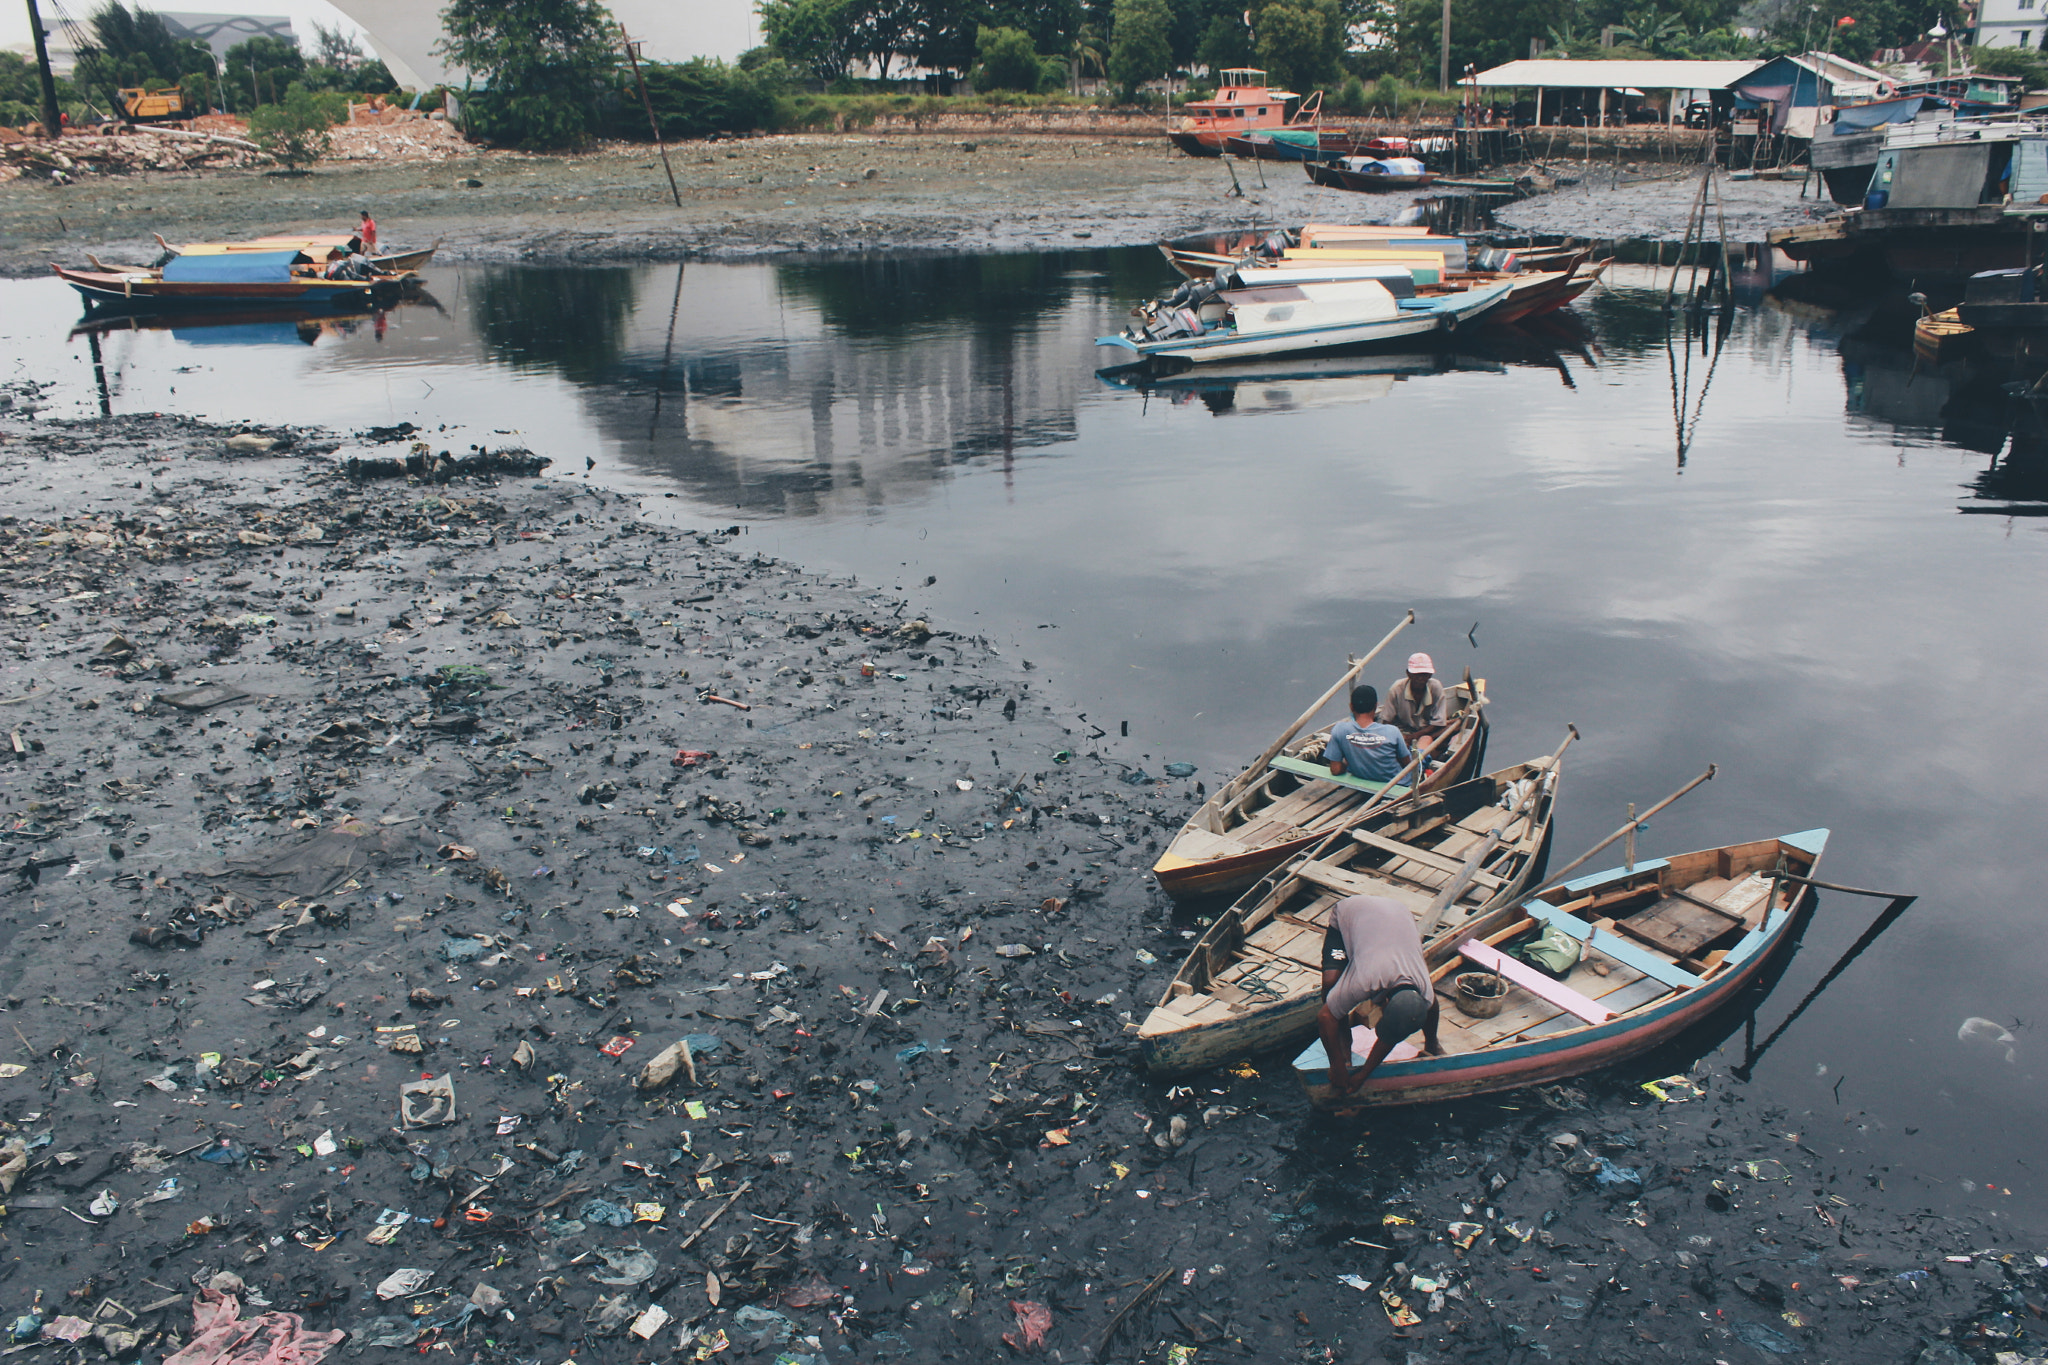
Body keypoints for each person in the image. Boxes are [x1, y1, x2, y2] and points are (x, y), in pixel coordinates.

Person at [1317, 894, 1443, 1094]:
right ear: (1384, 1002)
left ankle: (1432, 1042)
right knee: (1331, 983)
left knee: (1422, 1015)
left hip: (1398, 909)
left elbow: (1392, 1035)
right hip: (1352, 911)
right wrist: (1337, 1066)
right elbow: (1325, 1017)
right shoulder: (1365, 980)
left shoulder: (1425, 991)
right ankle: (1344, 1039)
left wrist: (1363, 1074)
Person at [1324, 684, 1410, 786]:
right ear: (1376, 705)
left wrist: (1348, 763)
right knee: (1425, 740)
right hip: (1395, 784)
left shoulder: (1340, 729)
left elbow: (1336, 770)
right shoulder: (1392, 731)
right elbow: (1408, 765)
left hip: (1362, 778)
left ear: (1351, 706)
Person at [1379, 652, 1448, 745]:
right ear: (1408, 674)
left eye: (1424, 675)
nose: (1420, 679)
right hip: (1402, 730)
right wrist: (1401, 738)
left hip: (1428, 731)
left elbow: (1437, 723)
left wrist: (1413, 737)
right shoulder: (1396, 689)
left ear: (1430, 675)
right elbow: (1387, 721)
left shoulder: (1436, 688)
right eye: (1417, 675)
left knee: (1447, 731)